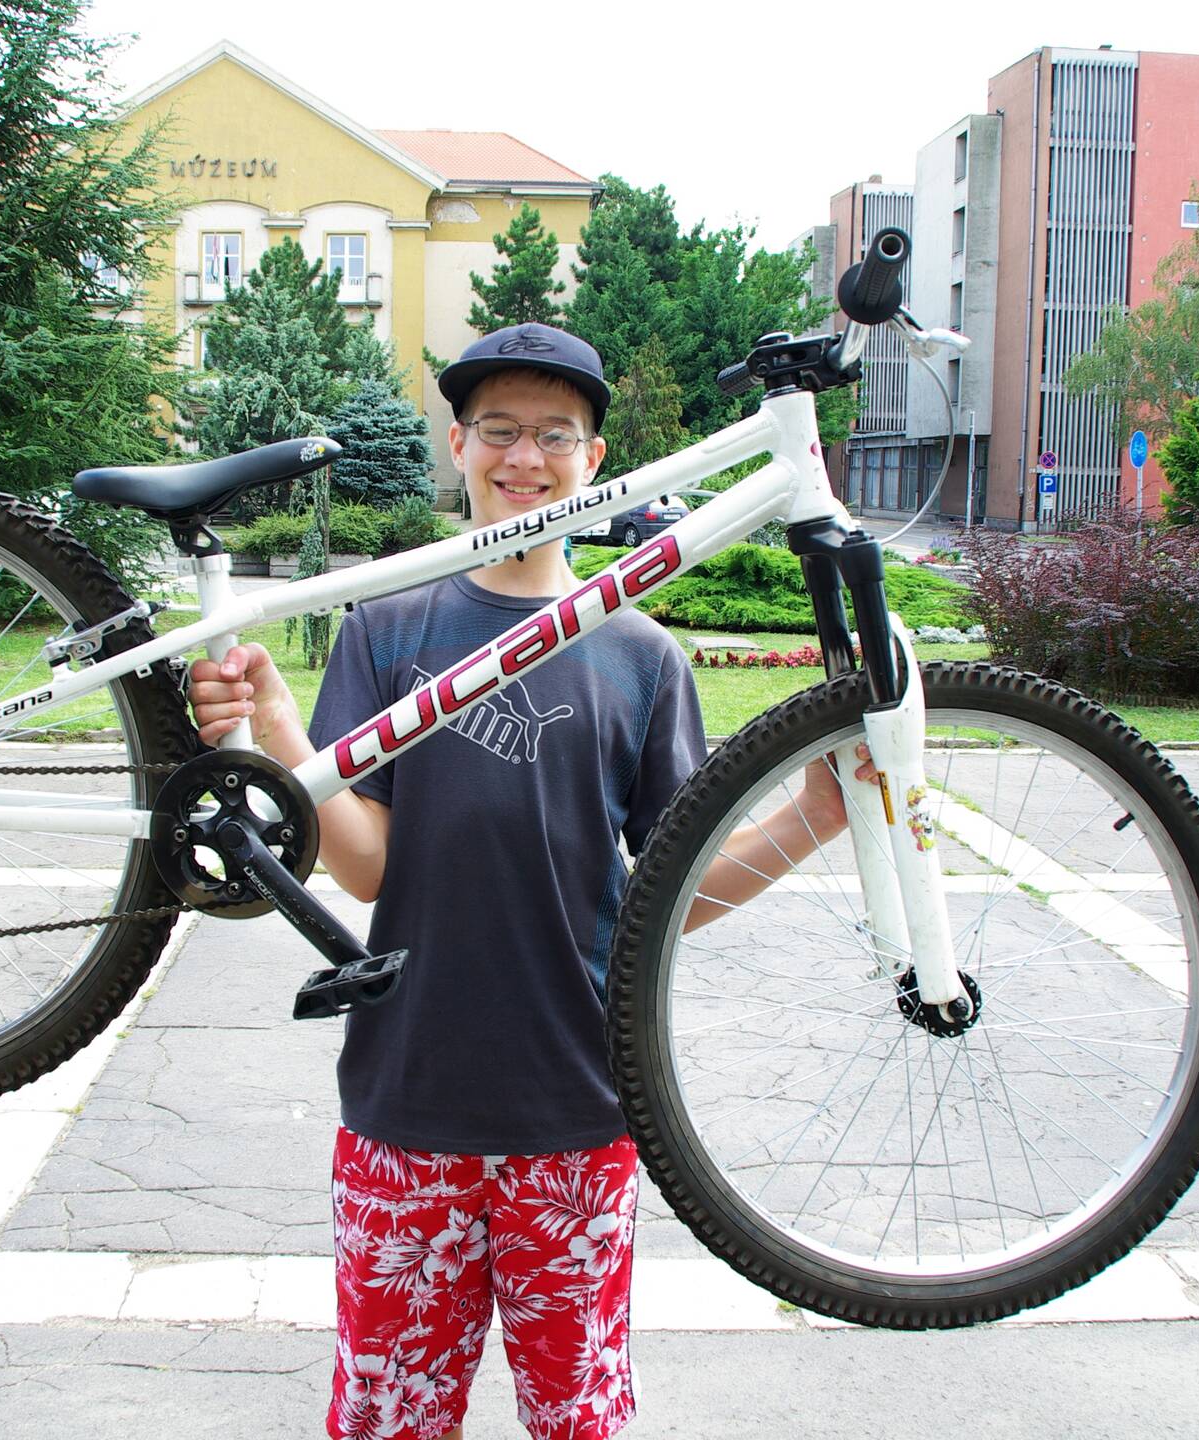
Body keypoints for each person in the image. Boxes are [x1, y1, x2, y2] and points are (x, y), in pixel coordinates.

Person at [188, 322, 871, 1440]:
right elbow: (365, 864)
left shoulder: (641, 656)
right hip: (404, 1114)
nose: (524, 457)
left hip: (580, 1118)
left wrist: (812, 818)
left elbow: (677, 891)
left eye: (555, 434)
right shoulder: (387, 629)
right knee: (391, 1421)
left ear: (593, 460)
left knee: (575, 1419)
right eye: (498, 429)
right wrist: (272, 725)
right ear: (457, 445)